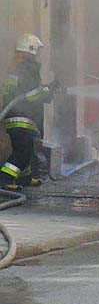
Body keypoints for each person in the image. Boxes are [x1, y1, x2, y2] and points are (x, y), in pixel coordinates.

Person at [0, 34, 55, 191]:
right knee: (22, 151)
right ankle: (4, 179)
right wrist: (46, 92)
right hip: (20, 116)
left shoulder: (18, 68)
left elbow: (26, 91)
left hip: (19, 115)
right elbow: (30, 95)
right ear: (30, 50)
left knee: (27, 149)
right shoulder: (26, 68)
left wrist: (45, 89)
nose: (37, 54)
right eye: (36, 51)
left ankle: (24, 177)